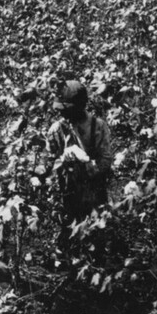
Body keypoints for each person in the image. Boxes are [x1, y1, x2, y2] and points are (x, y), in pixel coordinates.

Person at [46, 80, 113, 225]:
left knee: (98, 228)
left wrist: (87, 164)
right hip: (68, 194)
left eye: (66, 109)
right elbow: (50, 161)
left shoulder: (97, 126)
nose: (61, 112)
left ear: (79, 106)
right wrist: (62, 160)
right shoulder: (56, 130)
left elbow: (106, 160)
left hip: (95, 192)